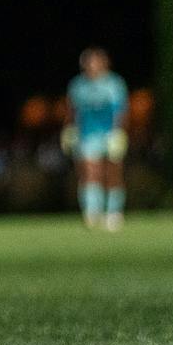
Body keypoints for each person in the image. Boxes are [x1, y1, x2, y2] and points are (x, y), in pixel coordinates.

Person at [62, 47, 128, 231]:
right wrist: (69, 130)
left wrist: (118, 133)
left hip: (109, 134)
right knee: (91, 171)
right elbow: (72, 110)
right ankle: (92, 211)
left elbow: (121, 111)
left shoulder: (114, 84)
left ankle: (114, 211)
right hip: (87, 135)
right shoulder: (78, 86)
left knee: (112, 173)